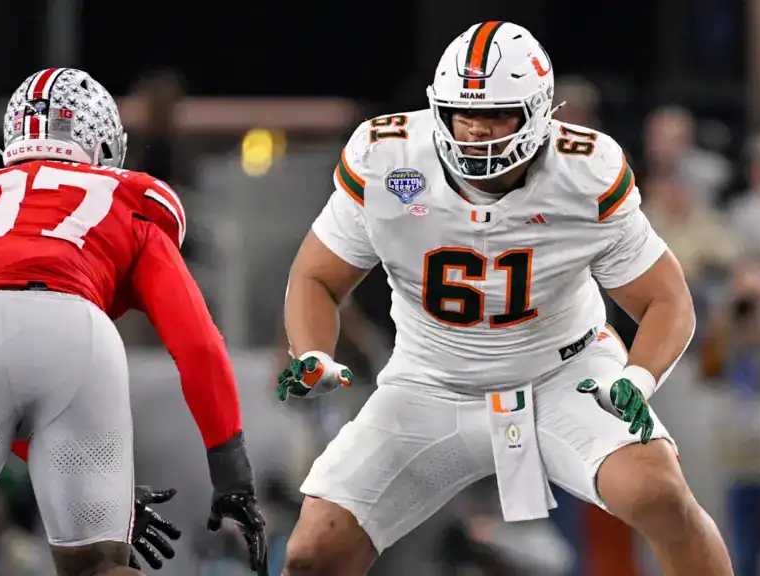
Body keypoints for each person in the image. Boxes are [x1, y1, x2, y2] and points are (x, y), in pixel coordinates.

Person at [278, 22, 733, 575]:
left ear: (540, 111)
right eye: (462, 113)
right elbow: (317, 278)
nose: (475, 131)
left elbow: (667, 301)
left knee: (660, 495)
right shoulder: (388, 156)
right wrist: (314, 353)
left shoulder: (584, 171)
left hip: (563, 375)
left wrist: (637, 377)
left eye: (495, 114)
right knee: (311, 553)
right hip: (429, 382)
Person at [0, 68, 268, 575]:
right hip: (80, 334)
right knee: (97, 564)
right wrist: (232, 476)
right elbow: (198, 345)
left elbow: (0, 386)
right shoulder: (127, 199)